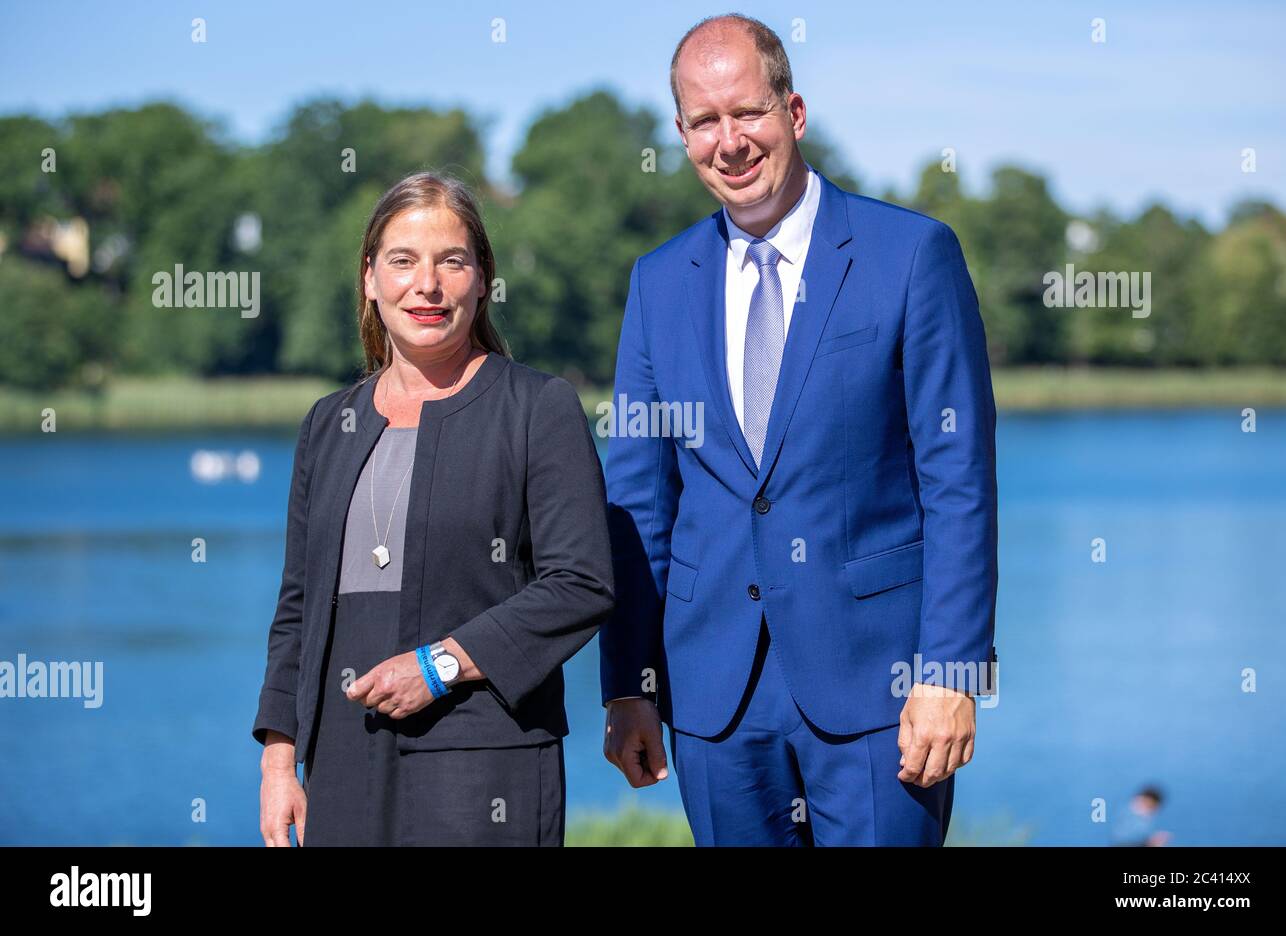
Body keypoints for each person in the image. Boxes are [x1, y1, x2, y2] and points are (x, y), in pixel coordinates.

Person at [600, 14, 999, 846]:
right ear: (681, 134)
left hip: (881, 696)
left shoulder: (912, 254)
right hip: (713, 699)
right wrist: (628, 683)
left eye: (747, 112)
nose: (730, 141)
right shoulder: (659, 282)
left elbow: (958, 482)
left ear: (795, 112)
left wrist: (953, 672)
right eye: (704, 122)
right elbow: (637, 504)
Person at [252, 170, 614, 846]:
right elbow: (297, 607)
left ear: (483, 279)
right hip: (341, 763)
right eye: (402, 261)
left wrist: (439, 666)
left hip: (483, 772)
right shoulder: (328, 425)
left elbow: (583, 583)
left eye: (452, 260)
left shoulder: (538, 409)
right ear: (368, 278)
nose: (427, 284)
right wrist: (279, 761)